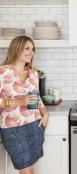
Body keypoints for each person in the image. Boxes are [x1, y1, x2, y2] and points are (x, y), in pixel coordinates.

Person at [0, 36, 49, 174]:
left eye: (33, 49)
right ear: (16, 48)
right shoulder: (2, 72)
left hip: (35, 125)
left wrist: (45, 114)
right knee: (27, 171)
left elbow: (37, 96)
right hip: (14, 129)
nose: (31, 52)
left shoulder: (33, 72)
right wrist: (18, 102)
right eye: (27, 48)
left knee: (32, 169)